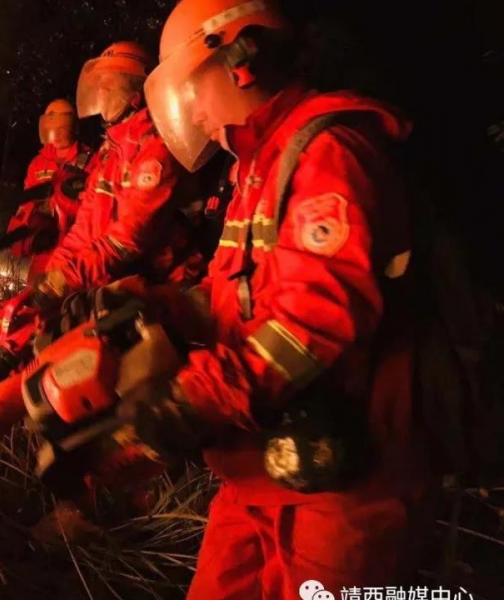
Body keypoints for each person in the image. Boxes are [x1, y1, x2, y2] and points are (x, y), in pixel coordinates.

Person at [62, 1, 436, 598]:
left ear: (240, 63)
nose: (193, 114)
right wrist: (157, 305)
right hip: (260, 470)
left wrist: (194, 397)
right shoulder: (260, 164)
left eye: (192, 91)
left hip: (345, 491)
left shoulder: (328, 153)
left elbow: (316, 320)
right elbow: (237, 296)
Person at [35, 42, 187, 304]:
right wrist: (53, 270)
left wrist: (68, 278)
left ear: (135, 93)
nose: (100, 93)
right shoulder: (111, 152)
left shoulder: (155, 149)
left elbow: (127, 241)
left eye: (108, 84)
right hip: (111, 277)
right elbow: (85, 226)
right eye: (98, 86)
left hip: (159, 286)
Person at [8, 99, 95, 280]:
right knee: (36, 300)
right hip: (45, 253)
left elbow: (96, 208)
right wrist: (31, 236)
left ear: (69, 127)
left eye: (59, 127)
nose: (54, 132)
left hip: (77, 254)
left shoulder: (91, 160)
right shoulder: (39, 162)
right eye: (50, 124)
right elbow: (26, 206)